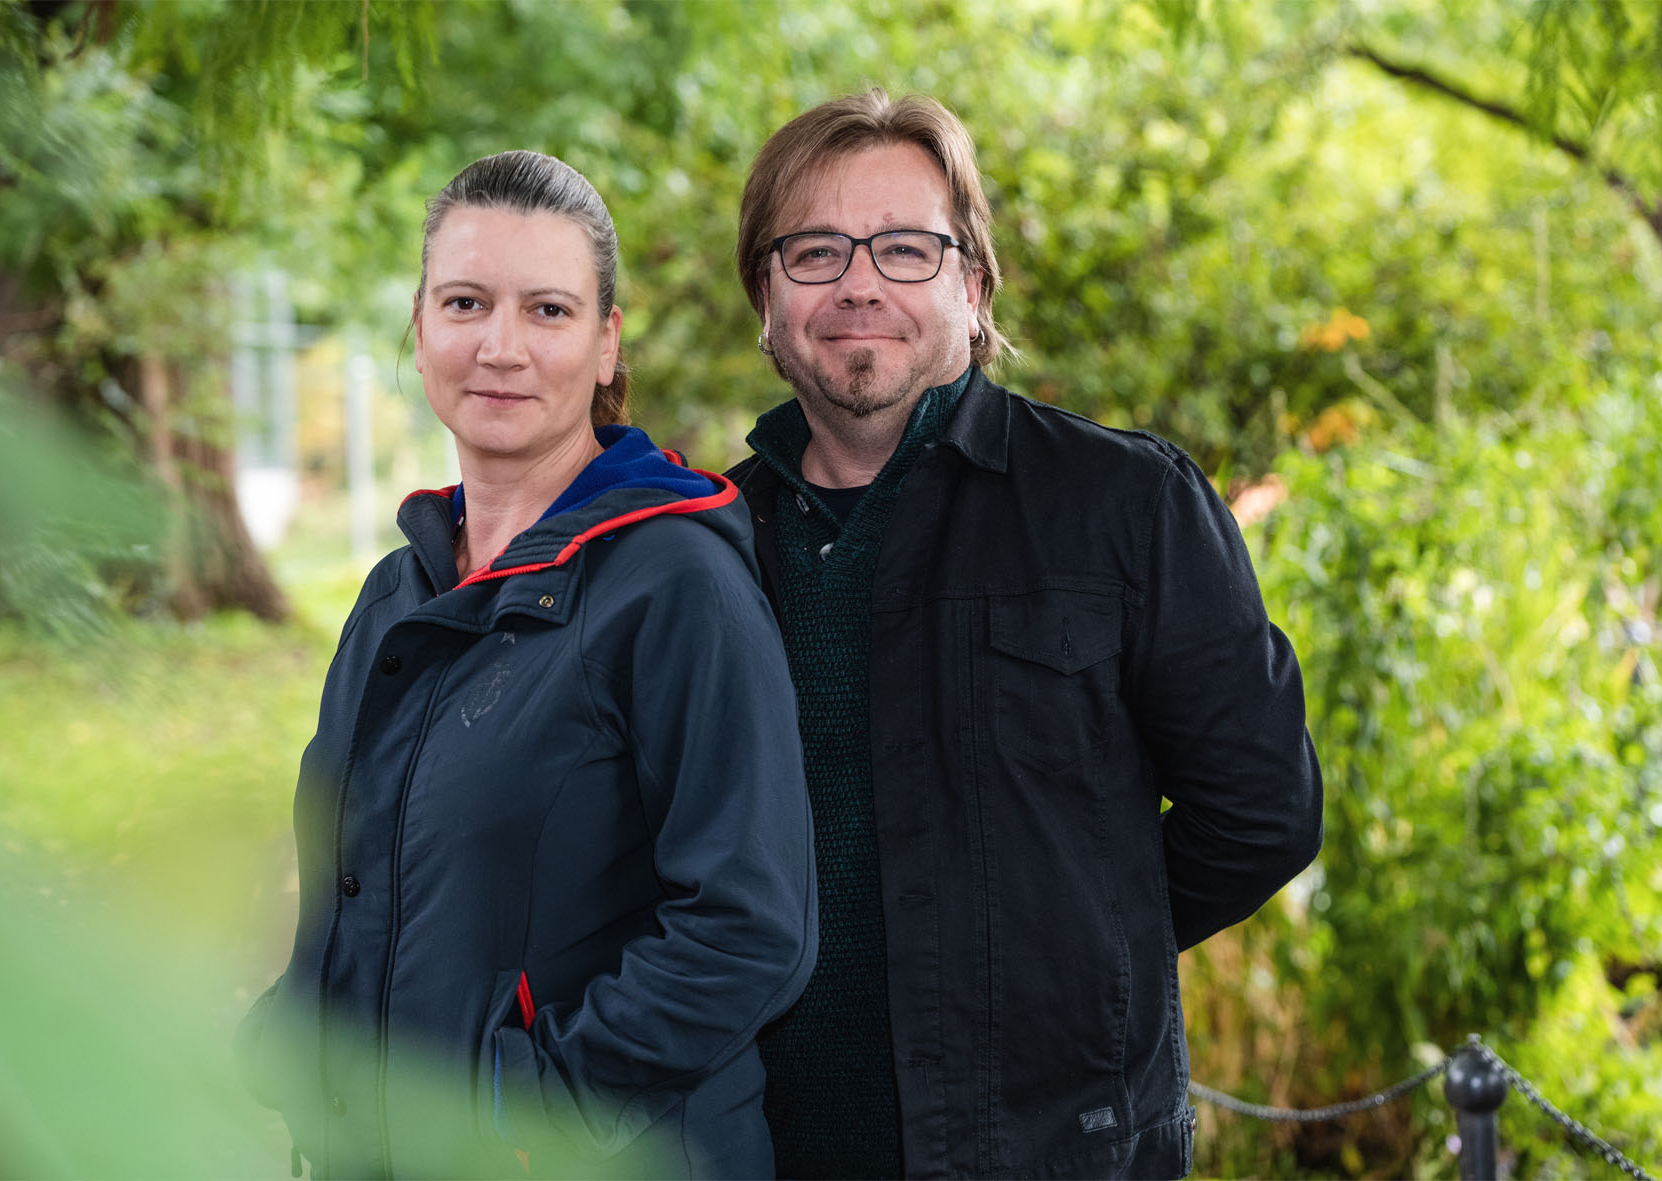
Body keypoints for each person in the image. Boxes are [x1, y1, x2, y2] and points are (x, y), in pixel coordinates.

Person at [726, 90, 1324, 1179]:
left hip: (1056, 1152)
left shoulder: (1122, 505)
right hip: (761, 1150)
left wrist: (1072, 953)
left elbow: (1261, 809)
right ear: (764, 299)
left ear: (973, 284)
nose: (858, 282)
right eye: (812, 251)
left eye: (904, 248)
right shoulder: (708, 547)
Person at [234, 150, 816, 1180]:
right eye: (465, 302)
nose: (499, 345)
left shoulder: (675, 584)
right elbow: (359, 871)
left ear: (604, 345)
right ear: (417, 331)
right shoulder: (395, 592)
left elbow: (749, 924)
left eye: (547, 310)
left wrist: (523, 1107)